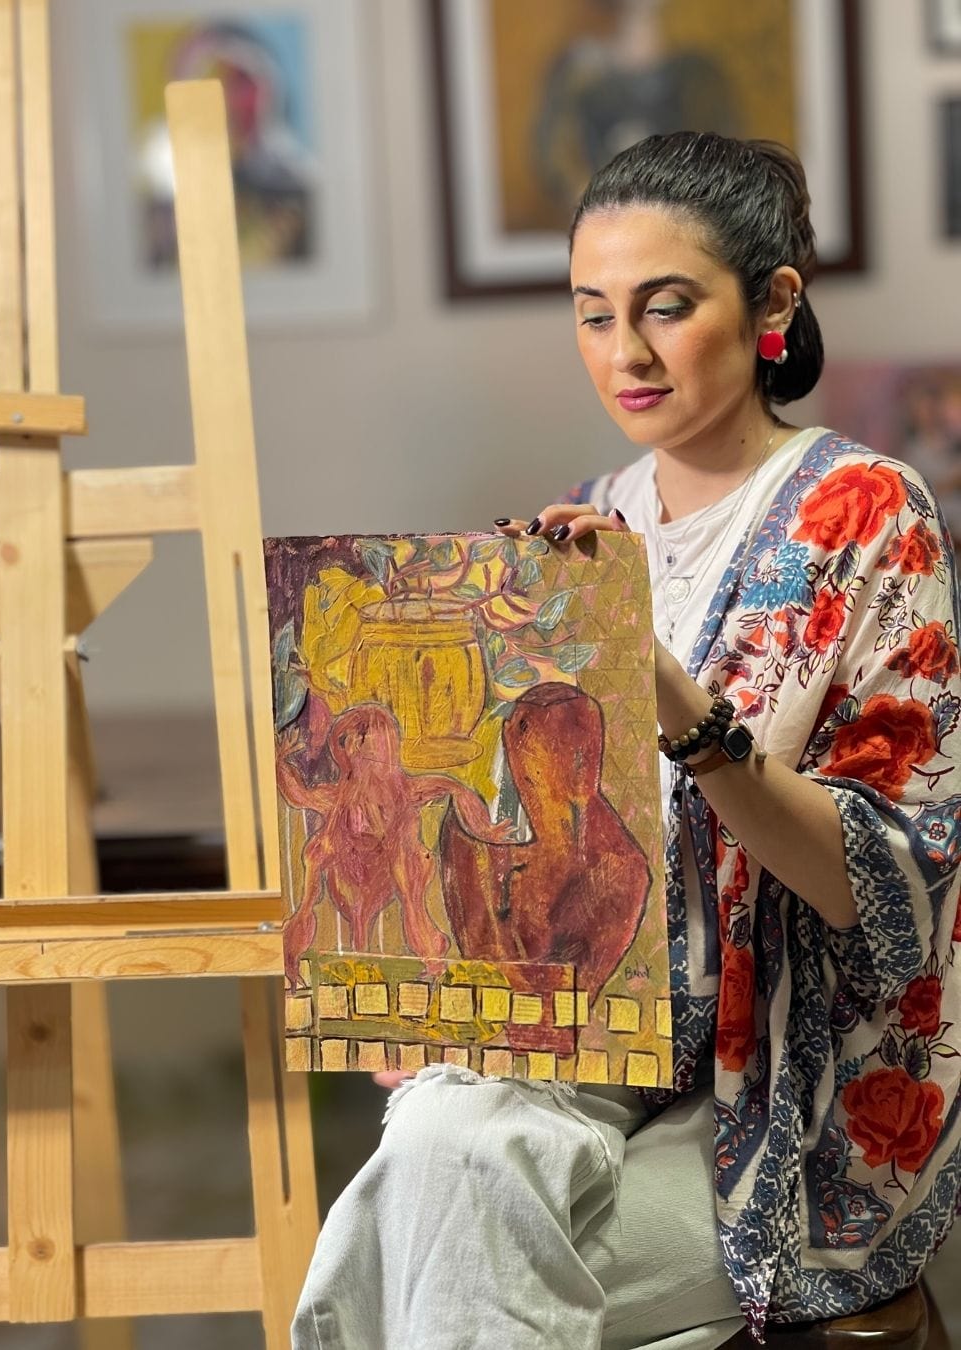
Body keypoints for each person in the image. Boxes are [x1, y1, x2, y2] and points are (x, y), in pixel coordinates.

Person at [290, 132, 961, 1349]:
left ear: (772, 304)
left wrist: (676, 705)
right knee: (447, 1139)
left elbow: (897, 886)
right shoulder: (602, 516)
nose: (625, 354)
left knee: (426, 1227)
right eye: (593, 316)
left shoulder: (869, 514)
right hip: (605, 1060)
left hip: (787, 1101)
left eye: (666, 307)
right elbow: (570, 869)